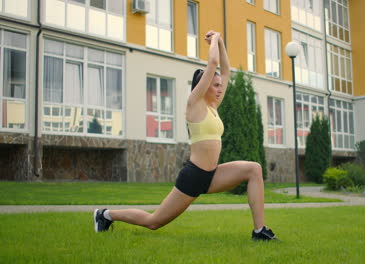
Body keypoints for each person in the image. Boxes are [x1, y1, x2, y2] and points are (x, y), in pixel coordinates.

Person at [94, 30, 278, 241]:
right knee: (153, 222)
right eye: (215, 85)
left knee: (254, 169)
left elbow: (225, 71)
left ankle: (259, 231)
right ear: (204, 86)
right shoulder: (194, 104)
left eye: (220, 86)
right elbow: (213, 65)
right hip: (194, 176)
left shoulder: (212, 107)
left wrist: (222, 44)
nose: (220, 89)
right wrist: (215, 40)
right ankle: (105, 215)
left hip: (212, 175)